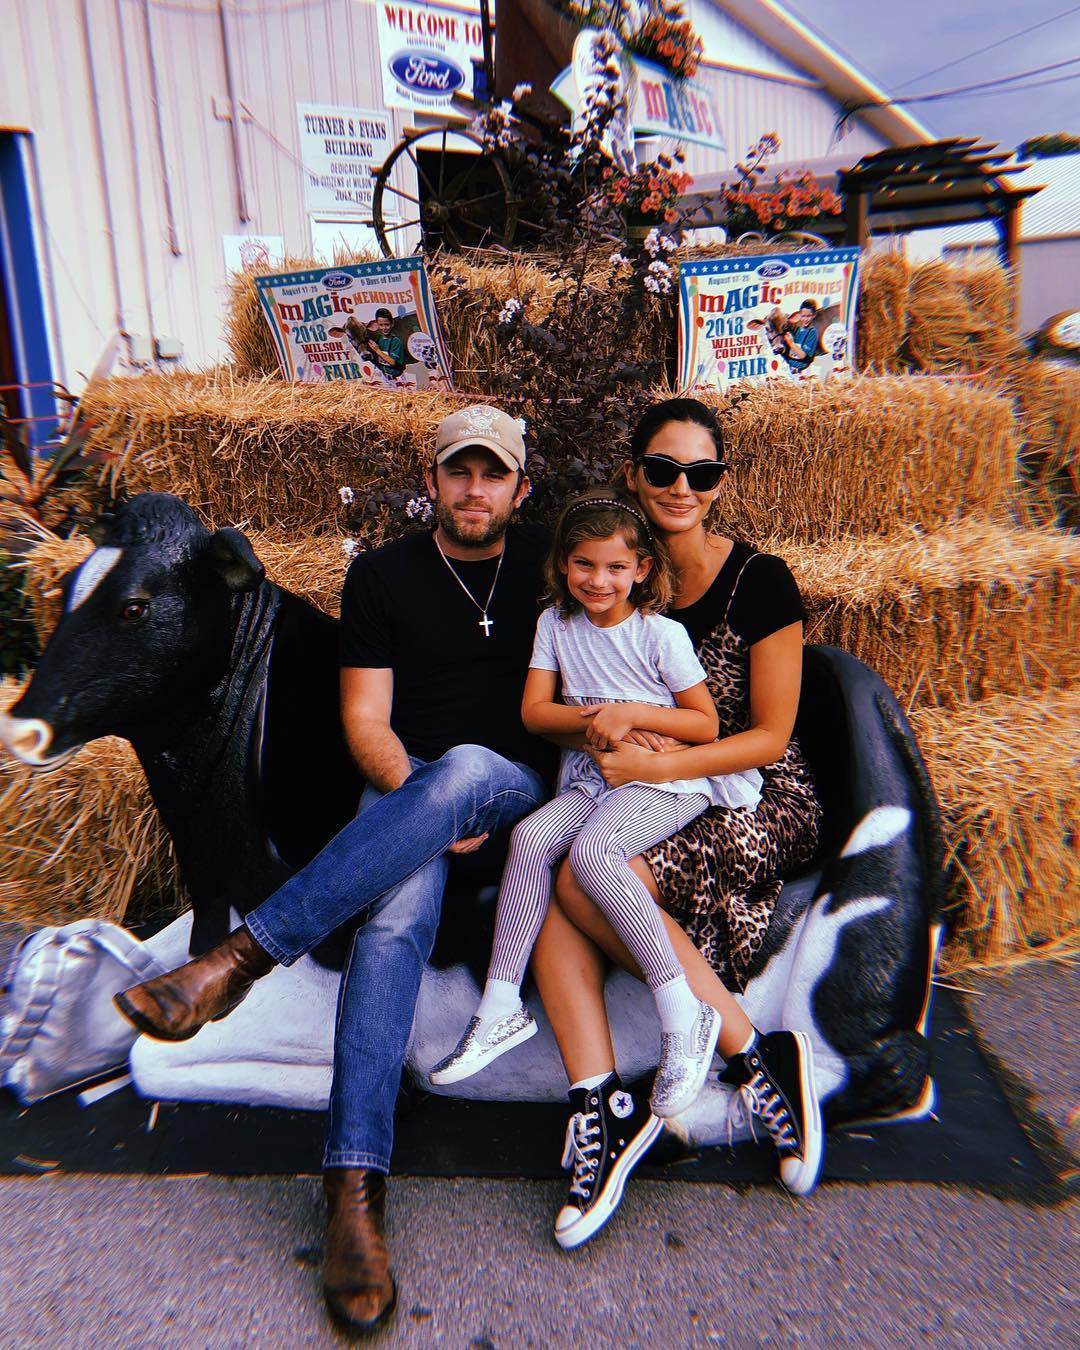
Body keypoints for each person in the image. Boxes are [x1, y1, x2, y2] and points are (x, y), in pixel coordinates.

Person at [112, 405, 554, 1336]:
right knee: (393, 921)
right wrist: (422, 803)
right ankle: (353, 1187)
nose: (475, 490)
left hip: (511, 785)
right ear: (431, 482)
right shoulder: (382, 576)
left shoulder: (556, 568)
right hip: (406, 785)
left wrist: (453, 797)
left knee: (469, 767)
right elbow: (365, 723)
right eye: (459, 471)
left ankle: (239, 959)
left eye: (494, 474)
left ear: (521, 487)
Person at [530, 398, 826, 1245]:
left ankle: (743, 1053)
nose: (681, 487)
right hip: (637, 785)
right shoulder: (610, 576)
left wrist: (654, 763)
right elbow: (565, 703)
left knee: (586, 877)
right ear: (634, 475)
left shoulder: (759, 582)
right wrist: (611, 737)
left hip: (752, 789)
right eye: (663, 469)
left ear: (721, 483)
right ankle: (603, 1102)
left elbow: (768, 738)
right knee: (553, 866)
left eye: (702, 472)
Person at [429, 492, 763, 1149]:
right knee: (531, 837)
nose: (599, 580)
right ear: (563, 564)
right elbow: (534, 713)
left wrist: (631, 717)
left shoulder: (659, 634)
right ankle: (500, 1005)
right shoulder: (556, 624)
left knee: (592, 855)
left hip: (665, 780)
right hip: (592, 777)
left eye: (615, 567)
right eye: (584, 564)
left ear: (641, 569)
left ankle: (682, 1011)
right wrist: (602, 721)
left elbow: (704, 724)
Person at [779, 298, 821, 372]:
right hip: (789, 368)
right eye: (803, 316)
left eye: (808, 316)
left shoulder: (812, 332)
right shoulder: (798, 329)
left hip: (802, 371)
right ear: (800, 315)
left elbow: (805, 357)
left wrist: (791, 344)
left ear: (814, 315)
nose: (805, 319)